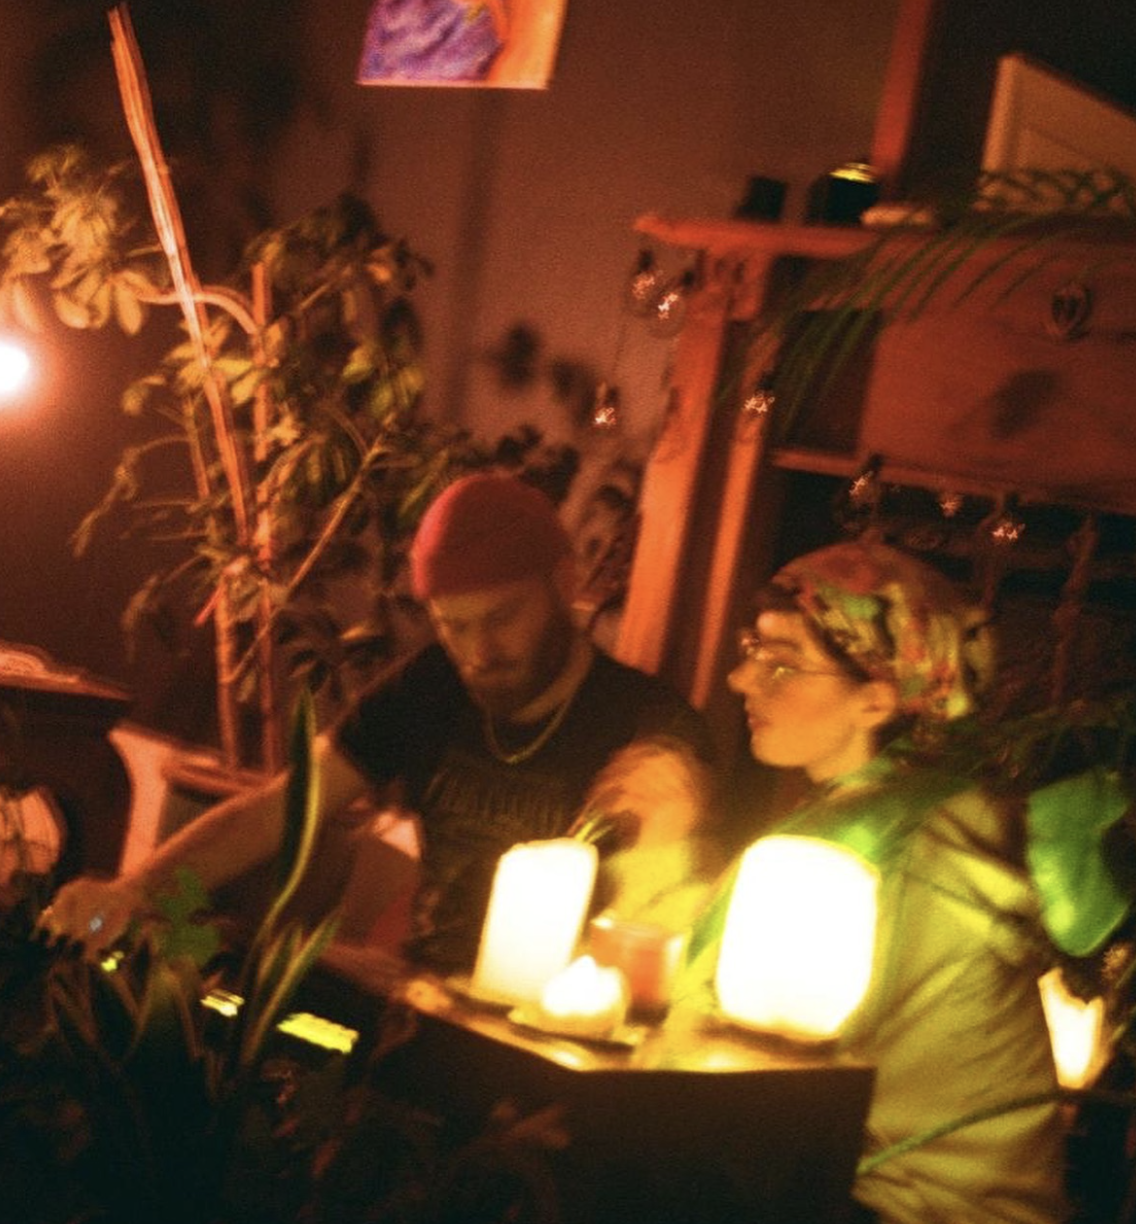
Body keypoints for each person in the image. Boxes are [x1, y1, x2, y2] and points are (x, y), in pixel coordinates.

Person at [40, 472, 712, 975]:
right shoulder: (430, 684)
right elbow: (282, 811)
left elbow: (667, 925)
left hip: (546, 1041)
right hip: (410, 996)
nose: (478, 653)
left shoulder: (649, 725)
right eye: (454, 627)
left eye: (502, 618)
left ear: (562, 584)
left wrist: (669, 844)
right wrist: (133, 894)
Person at [680, 539, 1070, 1224]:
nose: (741, 679)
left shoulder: (857, 848)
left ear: (876, 700)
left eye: (781, 664)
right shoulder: (949, 812)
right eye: (752, 649)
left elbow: (712, 1042)